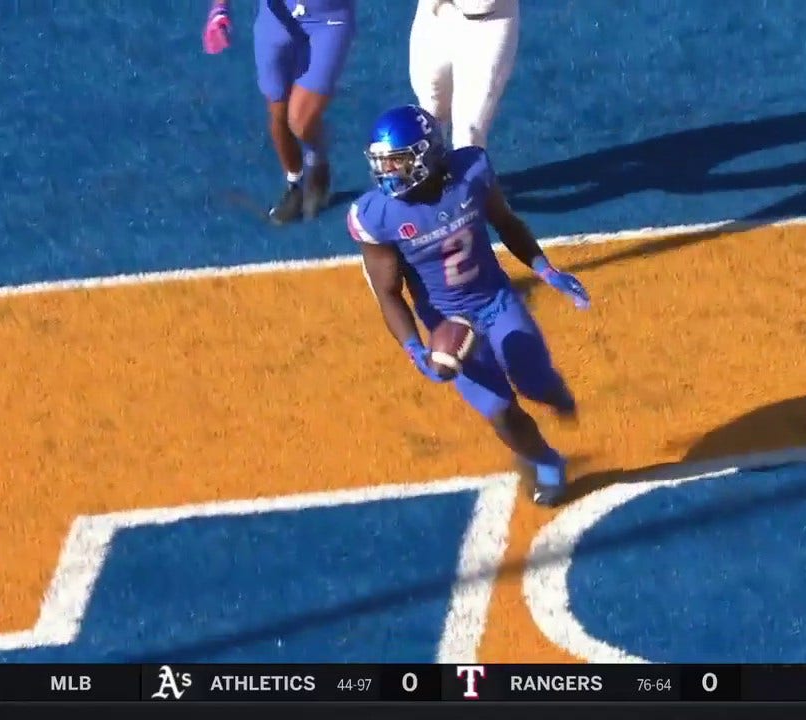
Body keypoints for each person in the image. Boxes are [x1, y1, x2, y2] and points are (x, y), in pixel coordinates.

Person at [348, 105, 589, 506]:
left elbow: (506, 222)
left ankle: (550, 388)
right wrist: (414, 348)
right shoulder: (378, 216)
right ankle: (547, 461)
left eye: (398, 161)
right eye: (383, 162)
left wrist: (546, 270)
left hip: (495, 300)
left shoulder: (470, 173)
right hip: (448, 322)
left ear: (425, 154)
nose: (388, 171)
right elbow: (388, 291)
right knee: (500, 412)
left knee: (533, 379)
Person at [203, 0, 356, 224]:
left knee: (301, 121)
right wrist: (219, 9)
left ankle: (317, 158)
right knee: (279, 114)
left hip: (329, 19)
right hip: (276, 20)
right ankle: (294, 183)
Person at [408, 0, 519, 150]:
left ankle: (467, 171)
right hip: (435, 14)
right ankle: (432, 171)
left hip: (491, 23)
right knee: (430, 114)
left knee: (468, 135)